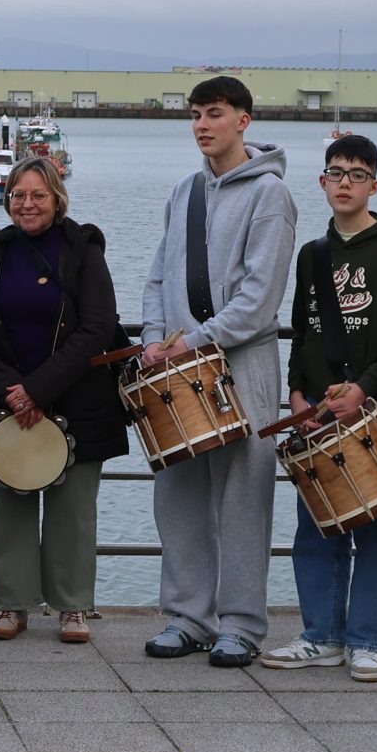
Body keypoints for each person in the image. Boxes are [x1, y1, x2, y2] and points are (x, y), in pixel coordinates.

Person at [134, 77, 296, 669]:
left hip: (243, 363)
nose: (204, 125)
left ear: (244, 121)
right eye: (197, 115)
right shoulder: (184, 192)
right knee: (176, 493)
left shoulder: (271, 195)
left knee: (243, 496)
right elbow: (157, 277)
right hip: (176, 368)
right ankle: (187, 617)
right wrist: (154, 339)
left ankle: (242, 625)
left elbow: (260, 295)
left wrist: (198, 340)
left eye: (216, 114)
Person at [261, 135, 377, 682]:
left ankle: (368, 640)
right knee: (317, 529)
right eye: (336, 173)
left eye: (357, 174)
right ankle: (321, 635)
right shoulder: (313, 255)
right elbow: (302, 332)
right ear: (323, 183)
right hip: (319, 414)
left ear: (374, 185)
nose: (345, 182)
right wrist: (299, 396)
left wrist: (364, 391)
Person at [0, 156, 126, 647]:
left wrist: (39, 389)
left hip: (77, 398)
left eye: (38, 195)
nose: (26, 204)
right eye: (18, 195)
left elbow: (97, 326)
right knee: (7, 506)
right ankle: (12, 605)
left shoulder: (85, 251)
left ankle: (73, 608)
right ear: (7, 199)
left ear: (57, 199)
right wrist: (12, 390)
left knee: (73, 511)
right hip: (4, 402)